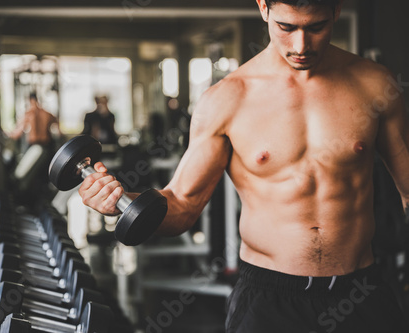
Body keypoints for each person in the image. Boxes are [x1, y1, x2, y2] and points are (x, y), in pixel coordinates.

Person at [78, 0, 409, 331]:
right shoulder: (227, 99)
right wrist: (124, 204)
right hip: (269, 300)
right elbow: (183, 205)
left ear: (336, 10)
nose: (301, 45)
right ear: (263, 7)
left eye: (316, 27)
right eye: (287, 27)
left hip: (361, 292)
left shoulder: (374, 84)